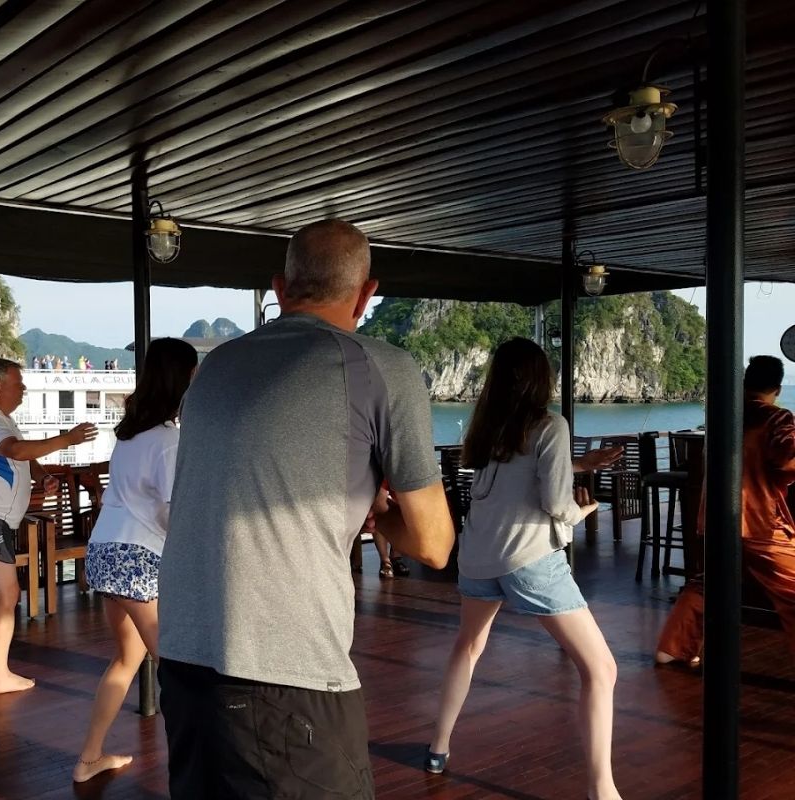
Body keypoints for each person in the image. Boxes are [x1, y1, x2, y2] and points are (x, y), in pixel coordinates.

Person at [157, 219, 456, 799]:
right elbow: (435, 543)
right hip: (285, 674)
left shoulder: (215, 366)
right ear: (367, 294)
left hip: (184, 660)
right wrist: (381, 514)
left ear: (280, 288)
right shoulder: (380, 367)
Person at [424, 338, 623, 800]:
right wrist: (583, 513)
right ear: (541, 378)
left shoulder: (490, 429)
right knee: (602, 669)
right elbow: (555, 501)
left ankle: (438, 747)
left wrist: (577, 464)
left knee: (468, 647)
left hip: (478, 558)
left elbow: (521, 470)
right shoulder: (551, 424)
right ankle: (602, 789)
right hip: (529, 560)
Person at [72, 338, 199, 783]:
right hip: (138, 557)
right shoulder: (168, 440)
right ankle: (201, 766)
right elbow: (171, 510)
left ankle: (90, 758)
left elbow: (118, 497)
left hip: (104, 551)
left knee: (127, 659)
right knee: (176, 664)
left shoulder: (129, 435)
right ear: (183, 379)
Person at [0, 359, 97, 693]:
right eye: (19, 384)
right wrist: (67, 440)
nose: (24, 390)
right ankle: (0, 676)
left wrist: (43, 475)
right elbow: (15, 450)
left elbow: (21, 456)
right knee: (8, 594)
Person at [657, 355, 795, 665]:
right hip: (757, 521)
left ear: (745, 384)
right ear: (776, 388)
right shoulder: (777, 417)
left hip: (715, 520)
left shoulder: (723, 414)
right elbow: (786, 461)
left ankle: (672, 648)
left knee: (711, 582)